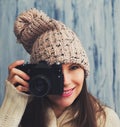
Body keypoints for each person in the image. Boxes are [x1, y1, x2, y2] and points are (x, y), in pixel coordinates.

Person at [0, 8, 120, 127]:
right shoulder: (19, 115)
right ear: (38, 75)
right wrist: (11, 105)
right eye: (54, 71)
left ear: (84, 71)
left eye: (73, 67)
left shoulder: (105, 120)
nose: (66, 81)